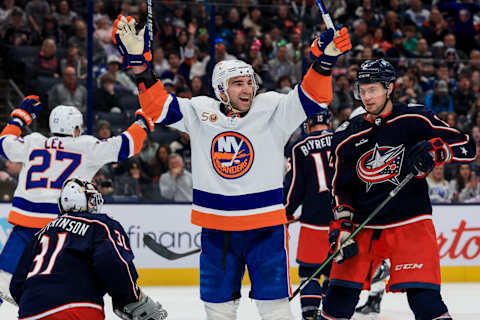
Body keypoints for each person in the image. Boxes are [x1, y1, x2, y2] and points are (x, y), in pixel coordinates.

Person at [112, 14, 351, 320]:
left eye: (249, 82)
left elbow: (315, 98)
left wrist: (324, 62)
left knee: (275, 307)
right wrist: (139, 66)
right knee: (219, 309)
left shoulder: (272, 108)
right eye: (238, 84)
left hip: (265, 227)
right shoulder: (201, 110)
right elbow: (157, 108)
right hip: (216, 228)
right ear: (221, 90)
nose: (247, 89)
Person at [320, 59, 476, 320]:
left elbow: (467, 147)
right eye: (362, 90)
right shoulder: (347, 135)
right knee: (338, 299)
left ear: (389, 88)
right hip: (363, 225)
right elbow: (341, 188)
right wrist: (343, 228)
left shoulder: (414, 118)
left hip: (410, 221)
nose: (366, 97)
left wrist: (438, 151)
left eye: (373, 90)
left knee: (425, 300)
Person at [0, 96, 155, 306]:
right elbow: (126, 145)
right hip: (63, 228)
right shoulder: (86, 146)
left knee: (1, 283)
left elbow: (4, 143)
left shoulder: (33, 141)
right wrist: (142, 122)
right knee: (62, 286)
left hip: (25, 224)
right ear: (75, 129)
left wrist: (19, 117)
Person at [10, 178, 167, 320]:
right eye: (92, 199)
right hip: (77, 307)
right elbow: (114, 262)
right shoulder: (100, 224)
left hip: (30, 311)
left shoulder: (40, 234)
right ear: (83, 201)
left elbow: (16, 284)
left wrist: (33, 302)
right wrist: (130, 299)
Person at [283, 109, 334, 320]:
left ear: (307, 125)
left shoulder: (299, 147)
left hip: (314, 220)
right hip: (344, 220)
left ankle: (311, 315)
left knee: (309, 272)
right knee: (335, 272)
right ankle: (332, 313)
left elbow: (295, 187)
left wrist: (285, 213)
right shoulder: (342, 139)